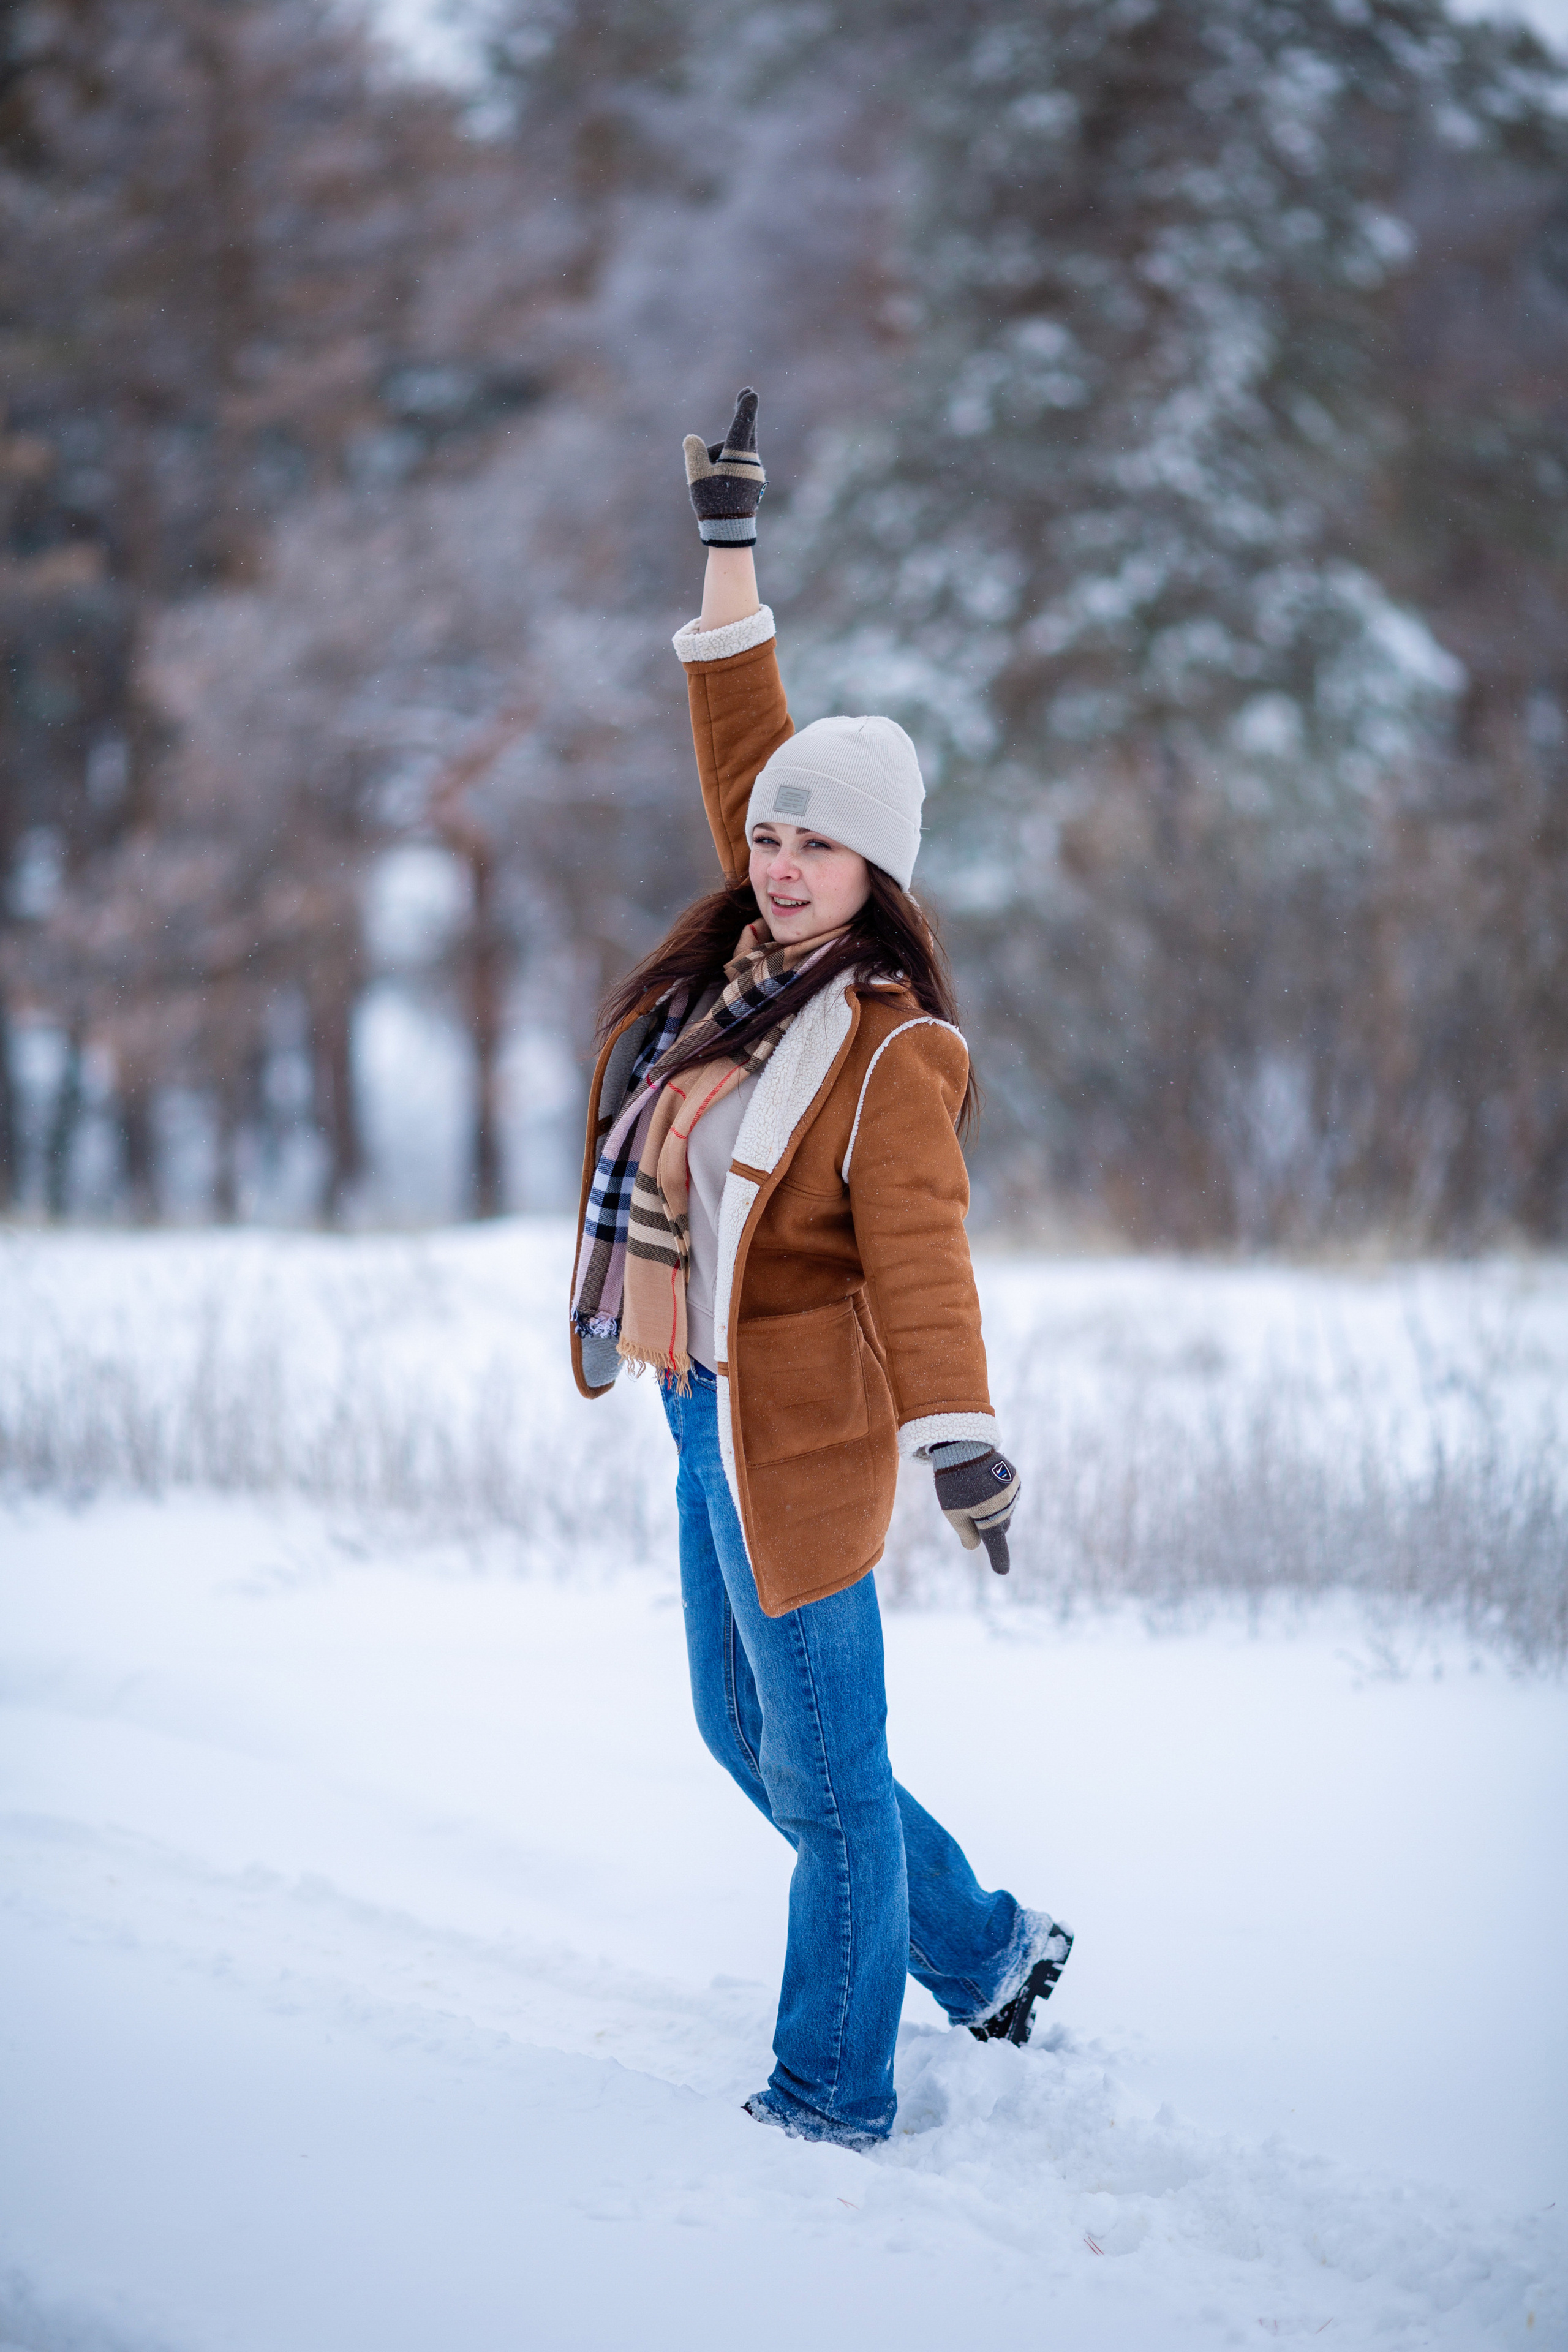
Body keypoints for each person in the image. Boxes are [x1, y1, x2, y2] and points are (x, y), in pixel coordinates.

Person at [568, 388, 1072, 2150]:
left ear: (880, 873)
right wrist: (727, 547)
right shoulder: (749, 965)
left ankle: (830, 2091)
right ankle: (990, 1949)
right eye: (770, 839)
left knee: (833, 1787)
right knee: (744, 1740)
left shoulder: (887, 1045)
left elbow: (923, 1256)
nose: (779, 865)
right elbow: (743, 732)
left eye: (816, 845)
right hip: (698, 1410)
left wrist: (963, 1434)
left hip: (806, 1433)